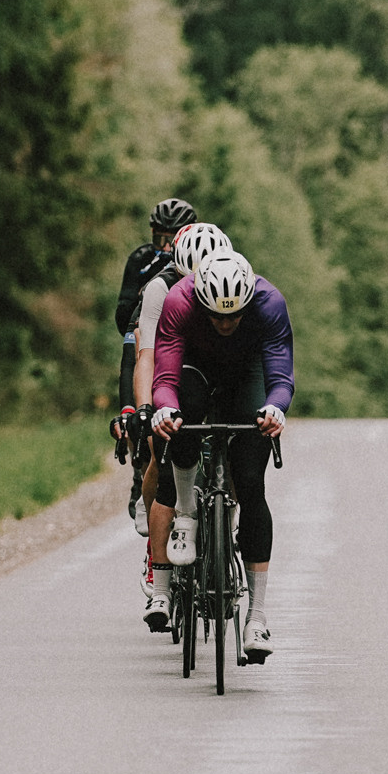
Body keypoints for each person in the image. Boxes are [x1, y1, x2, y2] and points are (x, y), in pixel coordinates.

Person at [151, 247, 291, 663]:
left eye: (235, 315)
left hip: (247, 373)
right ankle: (189, 515)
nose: (226, 324)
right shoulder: (179, 300)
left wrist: (274, 408)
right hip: (194, 369)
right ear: (200, 302)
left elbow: (281, 375)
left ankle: (257, 617)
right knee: (183, 418)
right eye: (217, 316)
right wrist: (164, 408)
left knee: (251, 482)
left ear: (249, 301)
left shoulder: (269, 304)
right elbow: (164, 376)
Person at [132, 220, 231, 631]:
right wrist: (144, 409)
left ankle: (226, 532)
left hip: (215, 371)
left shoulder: (231, 284)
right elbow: (147, 356)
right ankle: (160, 575)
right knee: (165, 448)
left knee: (229, 452)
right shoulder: (160, 290)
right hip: (173, 367)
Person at [112, 200, 195, 628]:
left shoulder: (204, 263)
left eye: (172, 238)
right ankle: (140, 475)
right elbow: (123, 323)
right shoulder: (144, 265)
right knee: (148, 427)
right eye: (158, 237)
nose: (164, 245)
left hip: (185, 345)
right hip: (146, 335)